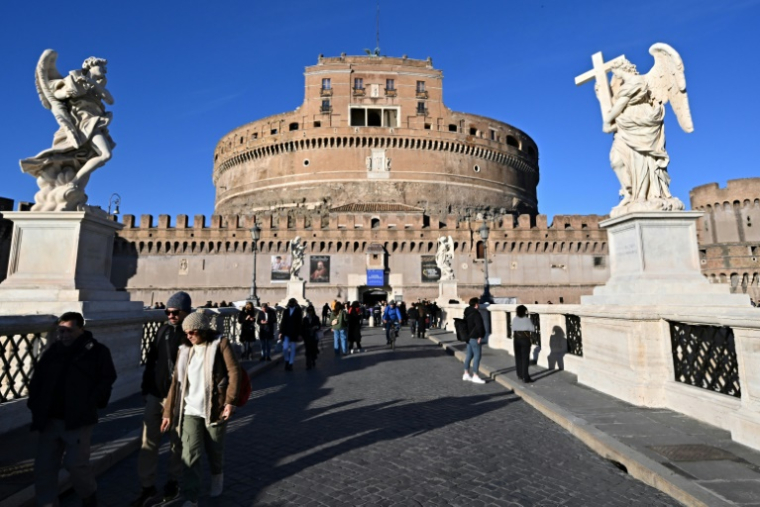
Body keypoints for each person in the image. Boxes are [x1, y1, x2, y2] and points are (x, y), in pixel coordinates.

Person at [28, 312, 117, 507]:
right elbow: (37, 380)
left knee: (76, 465)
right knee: (44, 468)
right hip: (49, 419)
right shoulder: (53, 351)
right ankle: (47, 503)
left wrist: (91, 401)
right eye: (61, 330)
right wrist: (34, 404)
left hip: (78, 419)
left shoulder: (98, 351)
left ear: (81, 329)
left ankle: (88, 497)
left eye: (69, 330)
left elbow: (107, 378)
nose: (64, 335)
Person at [159, 311, 239, 505]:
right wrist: (168, 412)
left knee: (214, 450)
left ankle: (217, 474)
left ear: (203, 330)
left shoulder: (220, 344)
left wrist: (230, 402)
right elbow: (175, 383)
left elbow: (234, 371)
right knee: (190, 454)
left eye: (192, 332)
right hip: (189, 410)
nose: (189, 336)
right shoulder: (184, 350)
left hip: (215, 408)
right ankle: (191, 497)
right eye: (186, 333)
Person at [132, 291, 191, 506]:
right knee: (148, 441)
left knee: (176, 442)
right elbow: (151, 361)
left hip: (178, 397)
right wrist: (146, 388)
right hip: (156, 395)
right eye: (168, 312)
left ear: (186, 312)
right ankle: (147, 486)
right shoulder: (162, 330)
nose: (171, 315)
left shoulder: (191, 334)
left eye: (176, 312)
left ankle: (173, 481)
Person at [463, 297, 486, 384]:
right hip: (475, 337)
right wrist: (480, 336)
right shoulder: (476, 314)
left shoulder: (467, 312)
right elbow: (479, 326)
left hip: (468, 337)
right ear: (476, 304)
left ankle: (466, 373)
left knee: (469, 355)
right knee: (477, 356)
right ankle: (475, 375)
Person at [512, 305, 535, 383]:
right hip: (525, 339)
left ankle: (519, 374)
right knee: (525, 358)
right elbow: (532, 329)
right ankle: (526, 377)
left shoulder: (515, 319)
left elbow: (513, 328)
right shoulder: (527, 320)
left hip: (516, 339)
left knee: (518, 357)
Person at [279, 298, 303, 371]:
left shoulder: (298, 311)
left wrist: (299, 334)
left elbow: (299, 323)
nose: (291, 304)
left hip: (294, 332)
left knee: (292, 349)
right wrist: (280, 332)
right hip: (286, 332)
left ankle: (290, 363)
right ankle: (286, 360)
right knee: (285, 348)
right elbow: (283, 322)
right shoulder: (286, 311)